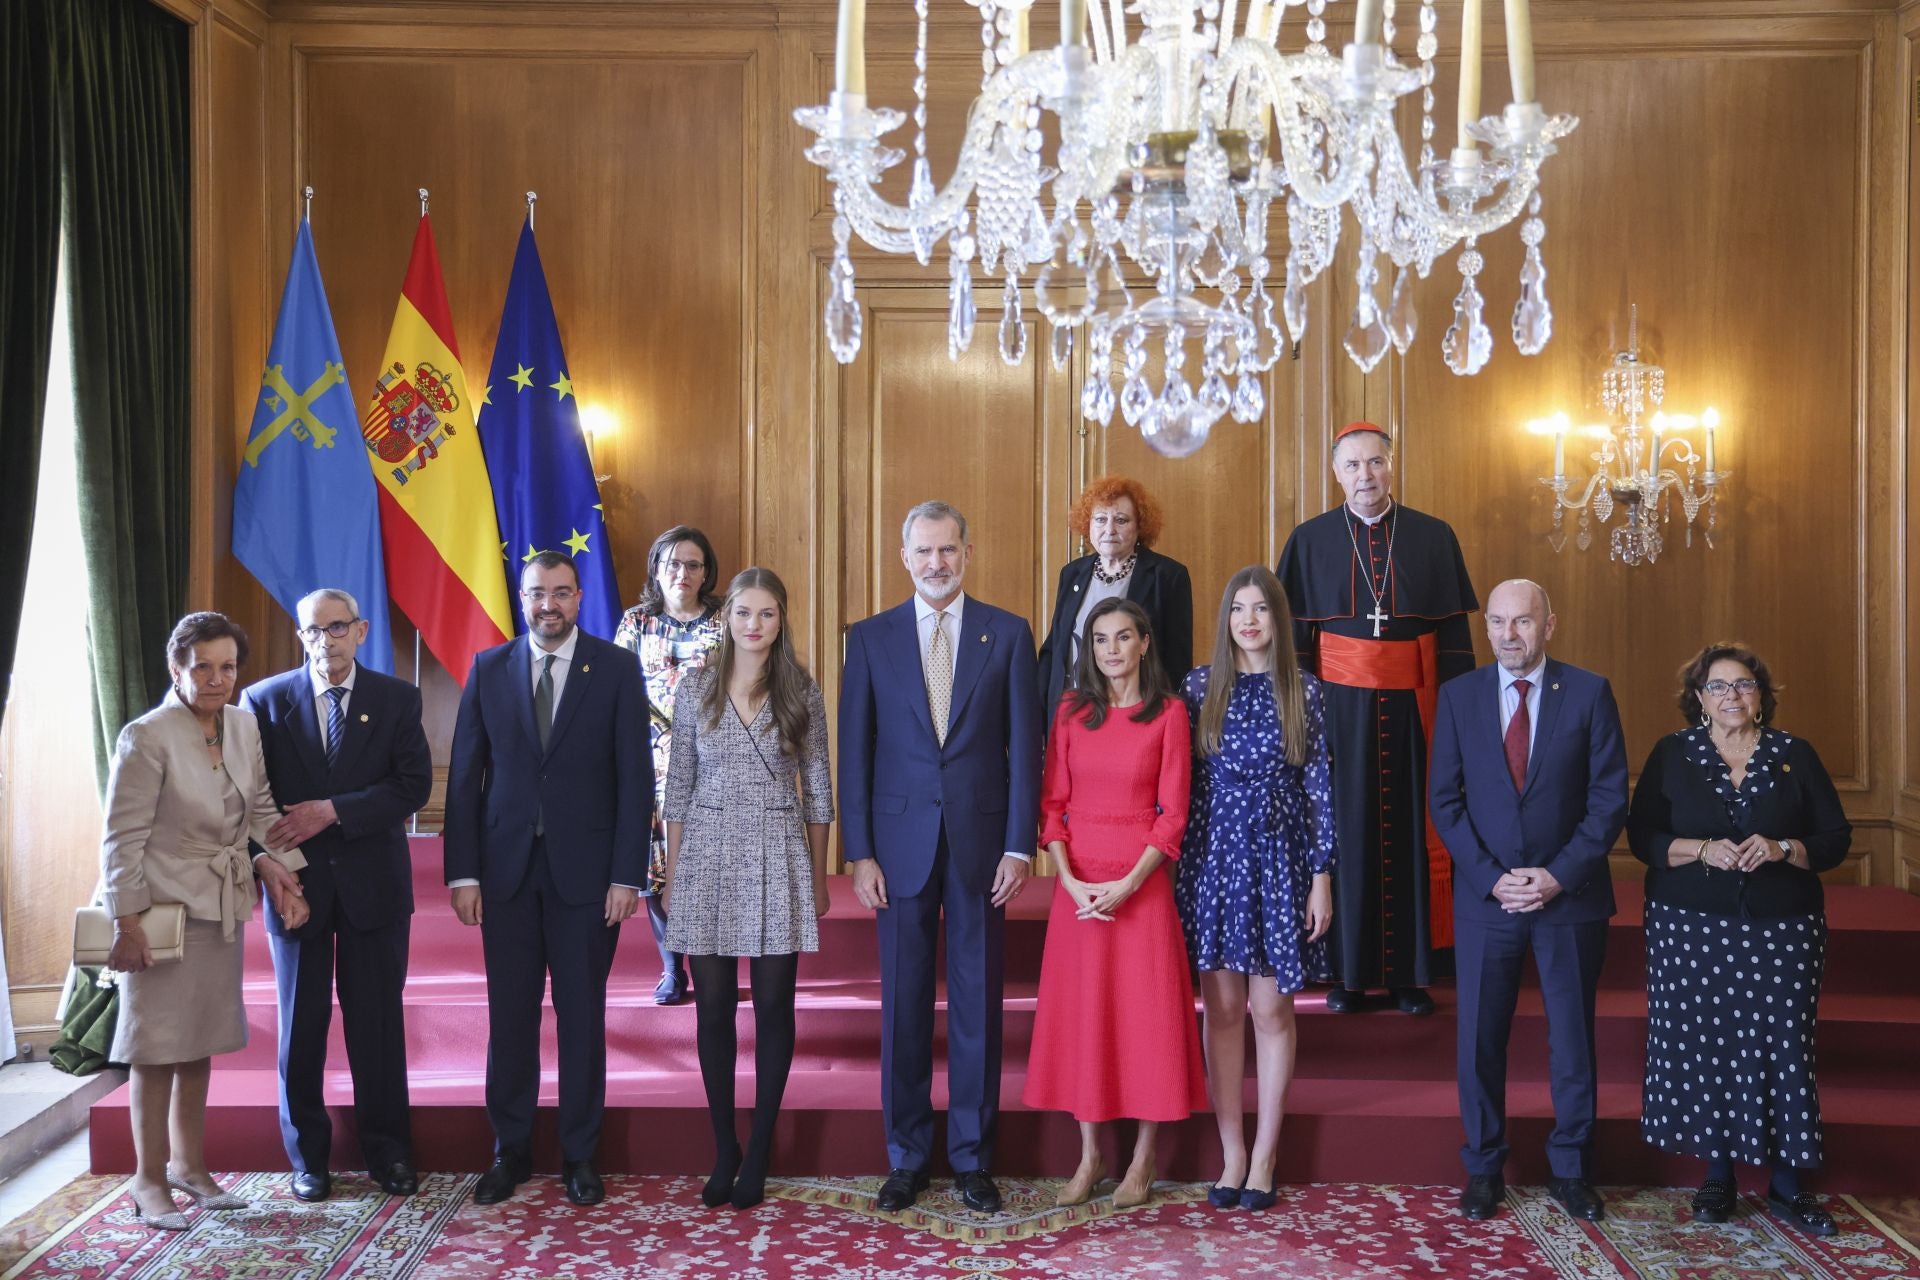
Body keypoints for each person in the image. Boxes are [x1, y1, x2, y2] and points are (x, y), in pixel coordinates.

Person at [839, 500, 1042, 1214]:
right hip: (895, 853)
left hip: (985, 848)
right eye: (923, 551)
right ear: (904, 556)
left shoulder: (1009, 635)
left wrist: (1021, 844)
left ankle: (972, 1158)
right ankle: (907, 1156)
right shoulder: (868, 639)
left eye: (948, 550)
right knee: (902, 1007)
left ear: (968, 551)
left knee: (977, 1007)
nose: (936, 563)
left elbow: (1026, 751)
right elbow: (854, 754)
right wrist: (858, 852)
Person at [444, 550, 653, 1207]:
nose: (548, 605)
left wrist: (629, 874)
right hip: (504, 874)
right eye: (538, 593)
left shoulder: (616, 669)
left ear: (579, 598)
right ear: (523, 596)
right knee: (510, 1019)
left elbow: (634, 778)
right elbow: (464, 778)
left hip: (588, 877)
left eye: (561, 593)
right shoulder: (489, 667)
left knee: (581, 1018)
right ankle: (509, 1152)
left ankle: (579, 1155)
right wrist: (463, 872)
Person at [1627, 644, 1849, 1238]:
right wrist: (1699, 849)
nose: (1732, 696)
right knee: (1709, 1049)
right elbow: (1641, 834)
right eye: (1718, 686)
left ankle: (1788, 1185)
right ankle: (1718, 1176)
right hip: (1690, 927)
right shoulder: (1671, 754)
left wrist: (1783, 849)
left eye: (1744, 685)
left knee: (1783, 1049)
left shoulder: (1793, 754)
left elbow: (1834, 838)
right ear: (1698, 698)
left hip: (1782, 928)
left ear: (1761, 695)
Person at [101, 612, 311, 1230]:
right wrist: (126, 923)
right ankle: (146, 1179)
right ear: (177, 669)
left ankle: (190, 1168)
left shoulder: (243, 725)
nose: (217, 679)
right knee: (155, 1049)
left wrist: (282, 872)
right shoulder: (147, 735)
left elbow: (262, 811)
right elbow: (120, 838)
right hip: (159, 912)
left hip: (221, 905)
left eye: (228, 667)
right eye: (202, 667)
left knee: (196, 1046)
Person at [1427, 580, 1627, 1224]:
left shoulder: (1590, 692)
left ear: (1550, 624)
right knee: (1479, 1039)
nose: (1510, 635)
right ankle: (1483, 1166)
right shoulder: (1459, 697)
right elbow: (1446, 801)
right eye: (1498, 623)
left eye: (1523, 622)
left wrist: (1557, 876)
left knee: (1572, 1041)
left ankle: (1572, 1168)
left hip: (1569, 899)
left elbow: (1608, 800)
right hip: (1488, 901)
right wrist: (1491, 878)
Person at [1277, 421, 1478, 1015]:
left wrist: (1460, 717)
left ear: (1392, 467)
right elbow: (1296, 646)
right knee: (1347, 831)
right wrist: (1302, 719)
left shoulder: (1432, 536)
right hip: (1338, 712)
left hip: (1417, 709)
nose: (1366, 476)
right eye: (1354, 466)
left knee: (1411, 832)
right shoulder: (1310, 540)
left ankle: (1410, 975)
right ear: (1336, 473)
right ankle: (1346, 971)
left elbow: (1456, 640)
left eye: (1376, 464)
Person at [241, 588, 432, 1202]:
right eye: (314, 631)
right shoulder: (264, 702)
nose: (327, 640)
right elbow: (245, 799)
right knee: (301, 1028)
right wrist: (270, 865)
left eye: (338, 627)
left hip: (374, 889)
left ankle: (389, 1154)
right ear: (301, 636)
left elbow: (412, 786)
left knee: (376, 1027)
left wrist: (333, 811)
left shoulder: (397, 698)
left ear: (361, 630)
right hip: (294, 886)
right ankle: (309, 1160)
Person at [1025, 599, 1207, 1211]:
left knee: (1145, 1019)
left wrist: (1130, 883)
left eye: (1122, 637)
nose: (1110, 649)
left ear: (1144, 643)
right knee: (1088, 1019)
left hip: (1142, 887)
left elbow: (1174, 813)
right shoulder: (1073, 711)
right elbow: (1052, 806)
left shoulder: (1170, 714)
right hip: (1079, 892)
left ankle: (1143, 1156)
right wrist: (1070, 881)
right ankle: (1090, 1153)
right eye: (1100, 639)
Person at [662, 567, 834, 1210]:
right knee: (711, 1009)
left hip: (777, 850)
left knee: (773, 1008)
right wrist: (674, 875)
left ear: (781, 619)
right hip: (704, 851)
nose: (754, 625)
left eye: (766, 613)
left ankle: (759, 1146)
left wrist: (817, 878)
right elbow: (676, 787)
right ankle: (723, 1146)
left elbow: (817, 792)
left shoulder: (802, 691)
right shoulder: (697, 687)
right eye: (742, 612)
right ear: (726, 616)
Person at [1176, 567, 1336, 1210]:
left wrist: (1321, 879)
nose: (1249, 620)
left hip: (1281, 862)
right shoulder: (1197, 687)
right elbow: (1179, 786)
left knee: (1270, 1011)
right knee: (1220, 1012)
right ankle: (1232, 1152)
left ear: (1279, 618)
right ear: (1227, 620)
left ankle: (1266, 1154)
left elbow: (1322, 789)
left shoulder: (1306, 691)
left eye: (1261, 609)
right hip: (1215, 862)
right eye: (1238, 609)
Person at [615, 525, 726, 1006]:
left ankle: (713, 966)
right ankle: (671, 967)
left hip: (717, 759)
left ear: (707, 573)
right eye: (673, 563)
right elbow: (618, 691)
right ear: (657, 569)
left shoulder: (726, 619)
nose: (683, 573)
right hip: (651, 758)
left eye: (694, 564)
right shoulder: (636, 622)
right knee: (657, 867)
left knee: (711, 863)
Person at [1037, 476, 1194, 717]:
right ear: (1087, 524)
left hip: (1136, 715)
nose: (1109, 530)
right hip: (1071, 714)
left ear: (1139, 526)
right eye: (1100, 519)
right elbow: (1055, 649)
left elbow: (1177, 661)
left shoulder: (1168, 576)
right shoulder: (1072, 574)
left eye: (1121, 520)